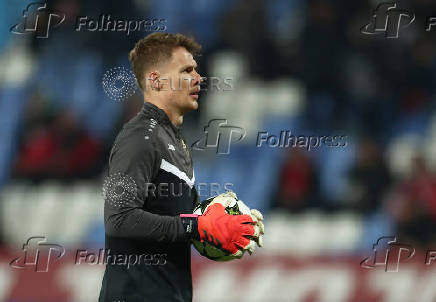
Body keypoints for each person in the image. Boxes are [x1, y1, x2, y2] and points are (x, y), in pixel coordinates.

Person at [98, 33, 263, 302]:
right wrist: (196, 226)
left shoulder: (174, 141)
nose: (198, 79)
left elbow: (184, 218)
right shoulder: (139, 138)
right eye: (186, 71)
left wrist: (231, 221)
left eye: (196, 70)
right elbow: (119, 220)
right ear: (155, 80)